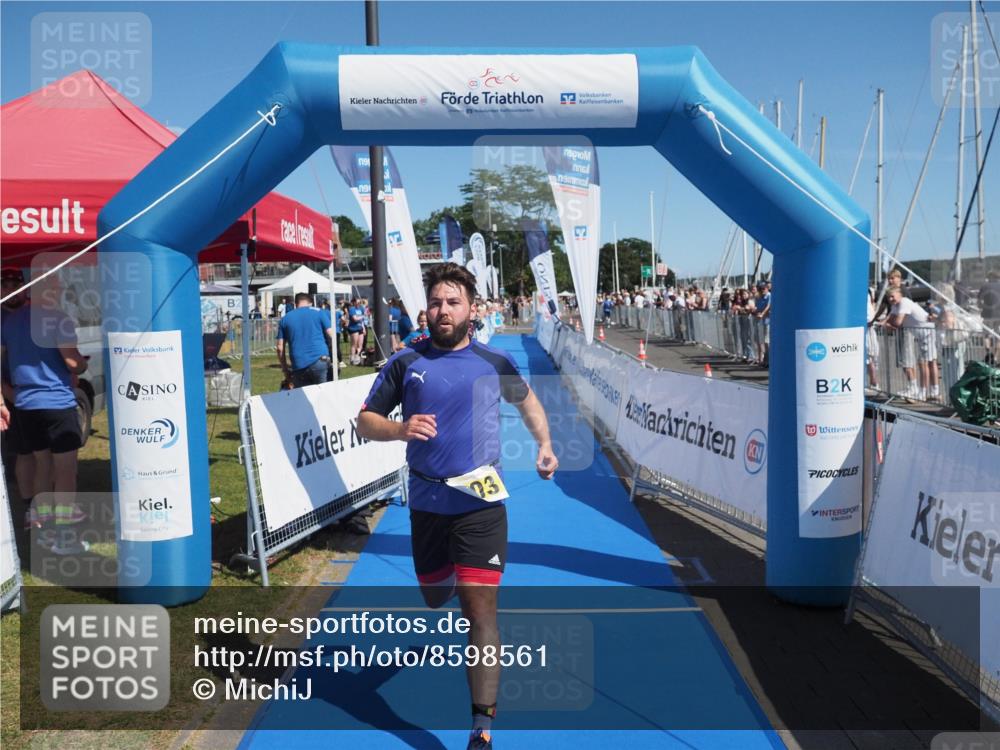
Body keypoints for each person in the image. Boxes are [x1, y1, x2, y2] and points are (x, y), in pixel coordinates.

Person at [356, 263, 558, 750]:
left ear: (472, 309)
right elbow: (364, 420)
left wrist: (545, 444)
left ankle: (481, 729)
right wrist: (401, 429)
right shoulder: (405, 363)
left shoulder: (493, 362)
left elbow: (528, 402)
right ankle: (444, 582)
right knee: (433, 596)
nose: (443, 310)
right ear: (426, 309)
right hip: (427, 502)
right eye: (436, 302)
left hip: (481, 504)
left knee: (479, 610)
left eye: (453, 302)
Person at [1, 271, 89, 553]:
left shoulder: (11, 321)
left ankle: (43, 532)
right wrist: (82, 364)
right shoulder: (58, 319)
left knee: (42, 466)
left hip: (25, 405)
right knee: (66, 471)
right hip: (56, 404)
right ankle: (64, 537)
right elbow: (73, 363)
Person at [885, 286, 938, 401]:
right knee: (924, 362)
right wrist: (885, 323)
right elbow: (889, 320)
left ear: (899, 294)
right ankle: (928, 391)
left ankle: (924, 392)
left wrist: (888, 324)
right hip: (919, 333)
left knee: (925, 363)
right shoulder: (896, 305)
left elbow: (898, 322)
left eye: (892, 296)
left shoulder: (904, 302)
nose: (891, 299)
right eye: (889, 297)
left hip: (927, 331)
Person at [276, 293, 335, 387]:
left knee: (304, 398)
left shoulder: (285, 318)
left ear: (295, 304)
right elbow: (332, 335)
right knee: (324, 395)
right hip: (320, 359)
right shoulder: (319, 312)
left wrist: (285, 369)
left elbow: (280, 348)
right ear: (310, 303)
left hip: (298, 363)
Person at [347, 297, 365, 365]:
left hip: (360, 328)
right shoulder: (352, 309)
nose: (358, 304)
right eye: (357, 303)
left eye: (359, 303)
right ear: (354, 302)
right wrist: (362, 316)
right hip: (353, 328)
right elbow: (355, 319)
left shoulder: (361, 309)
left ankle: (357, 357)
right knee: (354, 344)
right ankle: (352, 358)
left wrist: (363, 328)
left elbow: (362, 320)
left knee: (360, 345)